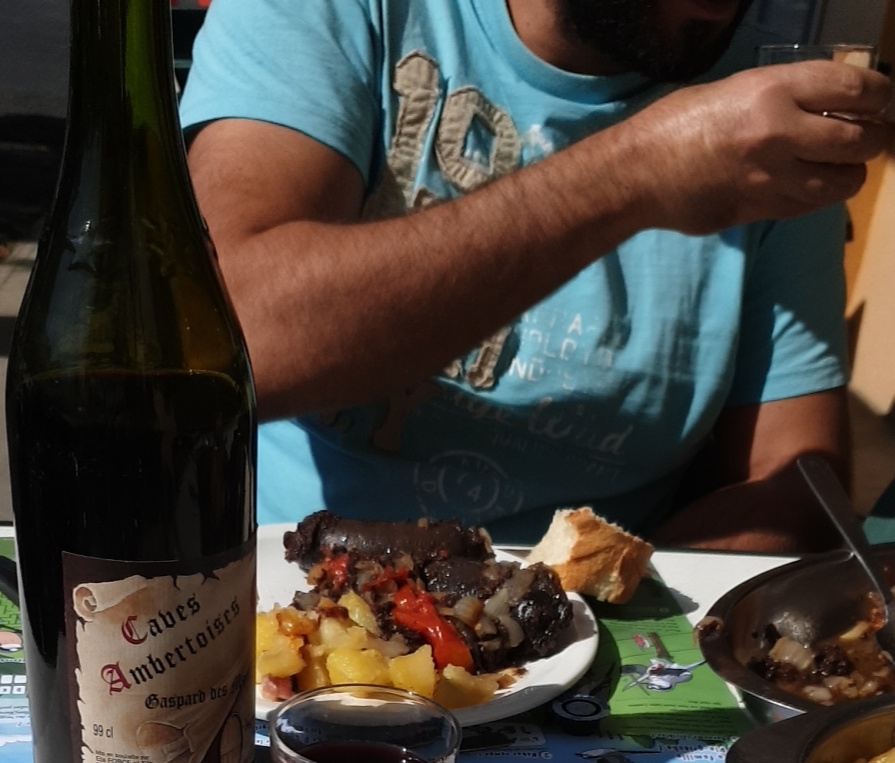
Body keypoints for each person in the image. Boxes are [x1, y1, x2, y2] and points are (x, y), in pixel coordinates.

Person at [180, 0, 890, 552]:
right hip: (285, 609)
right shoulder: (335, 12)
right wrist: (631, 175)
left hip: (602, 643)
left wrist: (597, 624)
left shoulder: (766, 110)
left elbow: (794, 484)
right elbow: (229, 341)